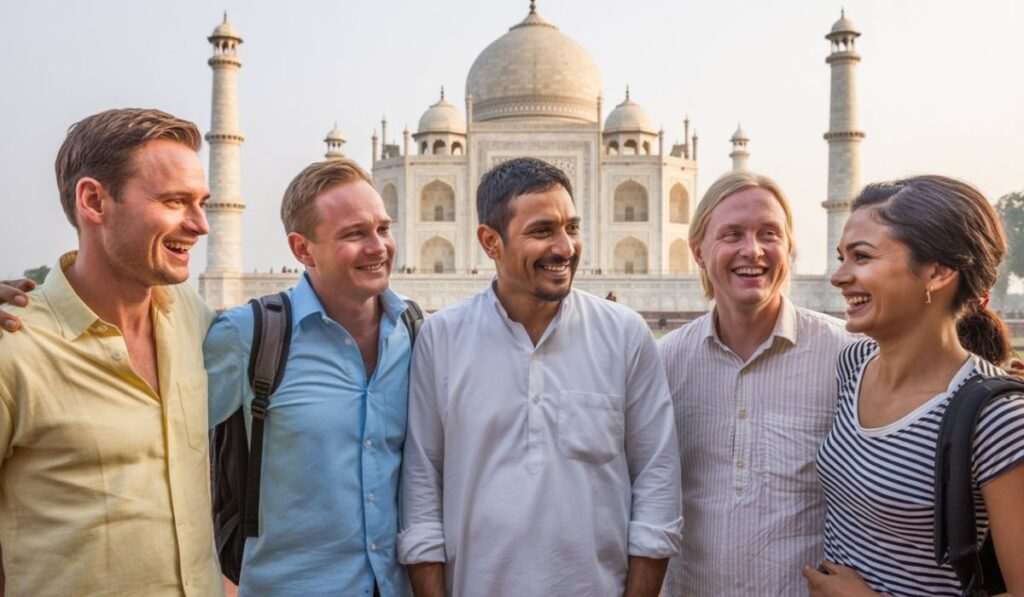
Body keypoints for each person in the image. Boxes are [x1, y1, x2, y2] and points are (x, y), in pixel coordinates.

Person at [398, 157, 682, 596]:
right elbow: (421, 488)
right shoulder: (443, 338)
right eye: (542, 230)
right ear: (490, 242)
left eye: (571, 227)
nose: (565, 247)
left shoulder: (623, 334)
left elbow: (657, 481)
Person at [0, 108, 222, 595]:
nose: (201, 224)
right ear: (94, 200)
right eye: (175, 201)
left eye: (201, 202)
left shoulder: (188, 316)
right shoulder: (16, 349)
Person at [806, 176, 1024, 595]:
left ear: (937, 272)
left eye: (861, 257)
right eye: (841, 258)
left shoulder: (998, 419)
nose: (838, 277)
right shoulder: (855, 365)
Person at [204, 159, 413, 596]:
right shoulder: (250, 336)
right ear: (302, 249)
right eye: (355, 234)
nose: (379, 247)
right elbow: (160, 439)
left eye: (383, 228)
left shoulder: (414, 333)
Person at [659, 171, 853, 596]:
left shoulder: (847, 356)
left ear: (789, 248)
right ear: (698, 251)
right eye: (732, 234)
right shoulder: (666, 361)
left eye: (770, 233)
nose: (753, 250)